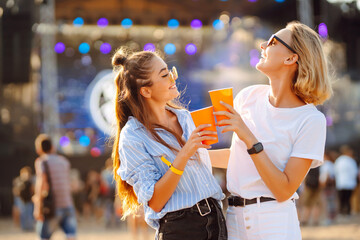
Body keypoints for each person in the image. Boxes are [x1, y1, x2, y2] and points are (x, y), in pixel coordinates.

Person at [210, 21, 332, 239]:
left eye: (273, 41)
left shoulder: (311, 120)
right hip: (232, 218)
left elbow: (284, 189)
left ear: (291, 58)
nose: (263, 45)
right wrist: (192, 155)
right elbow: (237, 158)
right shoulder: (247, 97)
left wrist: (248, 137)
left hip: (273, 221)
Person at [111, 47, 227, 240]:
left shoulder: (184, 117)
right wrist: (184, 154)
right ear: (146, 91)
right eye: (165, 75)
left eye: (170, 71)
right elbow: (155, 201)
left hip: (216, 221)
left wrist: (243, 135)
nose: (173, 79)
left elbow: (205, 159)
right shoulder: (133, 136)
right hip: (181, 228)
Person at [32, 134, 77, 240]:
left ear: (39, 149)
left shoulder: (41, 162)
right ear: (53, 147)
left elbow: (41, 184)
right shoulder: (64, 161)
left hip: (52, 207)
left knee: (43, 236)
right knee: (71, 235)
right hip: (67, 204)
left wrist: (38, 207)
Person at [334, 145, 358, 216]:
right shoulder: (351, 161)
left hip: (340, 183)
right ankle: (347, 212)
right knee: (348, 199)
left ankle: (341, 212)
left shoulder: (338, 160)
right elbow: (355, 172)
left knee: (341, 199)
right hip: (350, 183)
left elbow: (336, 171)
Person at [12, 166, 35, 231]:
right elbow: (15, 190)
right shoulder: (18, 180)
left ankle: (29, 227)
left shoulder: (30, 181)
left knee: (29, 213)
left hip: (29, 199)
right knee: (23, 213)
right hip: (21, 199)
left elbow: (32, 189)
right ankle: (24, 227)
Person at [319, 150, 337, 225]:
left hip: (327, 186)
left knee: (329, 202)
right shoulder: (330, 164)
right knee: (330, 202)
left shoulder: (327, 164)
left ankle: (330, 218)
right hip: (329, 185)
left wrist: (323, 184)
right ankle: (331, 218)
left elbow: (327, 175)